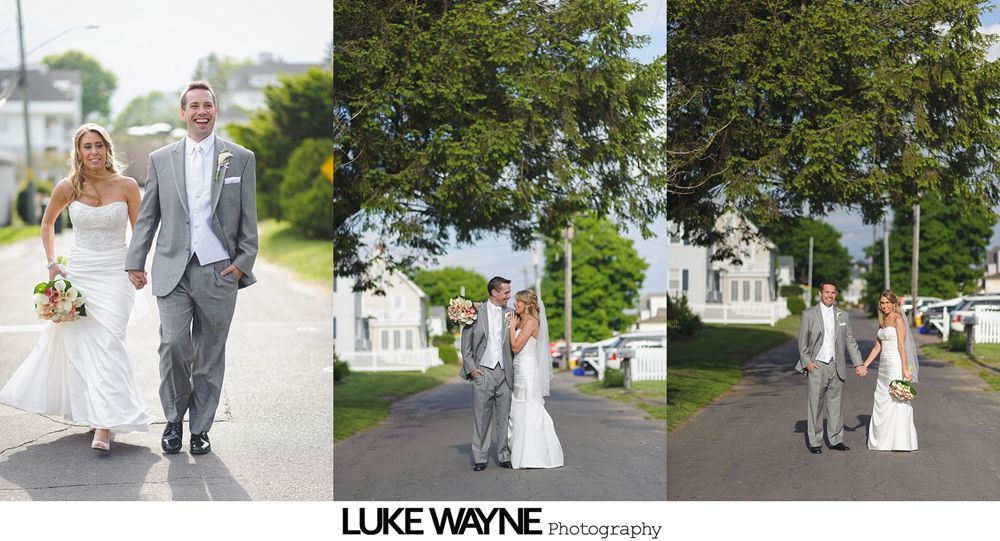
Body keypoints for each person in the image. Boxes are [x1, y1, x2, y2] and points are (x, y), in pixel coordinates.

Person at [0, 123, 153, 452]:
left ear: (108, 148)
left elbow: (139, 231)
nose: (94, 151)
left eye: (99, 145)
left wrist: (138, 266)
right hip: (80, 274)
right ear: (79, 152)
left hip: (116, 273)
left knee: (110, 341)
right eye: (87, 146)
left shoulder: (127, 186)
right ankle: (99, 415)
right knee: (84, 348)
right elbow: (47, 223)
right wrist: (52, 263)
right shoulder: (68, 187)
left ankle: (104, 423)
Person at [125, 81, 258, 455]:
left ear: (216, 111)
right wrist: (136, 260)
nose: (202, 111)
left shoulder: (240, 157)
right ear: (182, 113)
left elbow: (249, 220)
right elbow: (148, 216)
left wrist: (241, 264)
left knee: (210, 354)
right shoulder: (160, 159)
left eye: (208, 105)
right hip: (172, 269)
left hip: (219, 271)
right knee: (173, 346)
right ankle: (172, 420)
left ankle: (200, 428)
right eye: (194, 106)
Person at [795, 281, 863, 454]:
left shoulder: (843, 315)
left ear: (836, 294)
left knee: (835, 405)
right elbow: (802, 342)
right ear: (820, 293)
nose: (830, 295)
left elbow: (850, 340)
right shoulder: (809, 314)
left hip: (836, 365)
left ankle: (835, 439)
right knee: (815, 405)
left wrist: (858, 363)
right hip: (816, 364)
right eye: (827, 292)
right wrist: (807, 363)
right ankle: (815, 441)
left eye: (833, 292)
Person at [460, 276, 514, 471]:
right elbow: (465, 345)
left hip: (505, 372)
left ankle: (504, 454)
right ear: (494, 292)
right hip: (482, 371)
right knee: (481, 417)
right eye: (506, 292)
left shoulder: (511, 314)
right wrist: (472, 369)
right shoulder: (474, 312)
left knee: (504, 416)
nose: (509, 296)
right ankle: (480, 458)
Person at [506, 289, 563, 469]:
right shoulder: (519, 319)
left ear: (528, 305)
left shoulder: (530, 322)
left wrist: (511, 328)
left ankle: (533, 455)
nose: (515, 304)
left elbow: (515, 347)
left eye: (518, 302)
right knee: (518, 409)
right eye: (515, 301)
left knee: (529, 408)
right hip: (518, 370)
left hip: (527, 371)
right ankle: (519, 451)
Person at [858, 289, 918, 451]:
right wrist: (865, 364)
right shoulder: (883, 320)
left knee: (896, 399)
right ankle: (883, 441)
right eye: (882, 303)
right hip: (883, 366)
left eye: (887, 303)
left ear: (893, 304)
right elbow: (878, 346)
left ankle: (900, 441)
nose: (884, 306)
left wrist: (905, 369)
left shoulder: (898, 319)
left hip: (895, 364)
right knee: (881, 398)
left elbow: (901, 345)